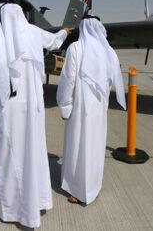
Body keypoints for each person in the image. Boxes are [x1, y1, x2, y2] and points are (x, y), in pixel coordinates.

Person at [0, 0, 71, 228]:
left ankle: (16, 210)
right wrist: (65, 32)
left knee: (12, 155)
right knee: (34, 151)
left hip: (8, 106)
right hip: (34, 106)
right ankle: (37, 201)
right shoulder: (33, 32)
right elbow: (55, 42)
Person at [56, 15, 126, 205]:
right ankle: (93, 187)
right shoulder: (109, 51)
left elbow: (68, 80)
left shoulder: (76, 48)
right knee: (94, 145)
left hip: (80, 107)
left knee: (79, 146)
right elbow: (111, 80)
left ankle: (79, 191)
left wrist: (65, 105)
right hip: (99, 108)